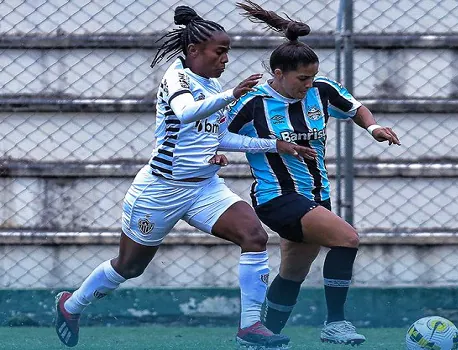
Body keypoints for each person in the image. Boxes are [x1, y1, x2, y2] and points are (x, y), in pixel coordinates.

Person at [54, 5, 316, 349]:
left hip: (205, 188)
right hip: (161, 190)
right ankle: (71, 305)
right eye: (219, 52)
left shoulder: (212, 83)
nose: (225, 59)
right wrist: (232, 94)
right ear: (194, 51)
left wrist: (273, 144)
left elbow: (218, 136)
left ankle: (251, 325)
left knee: (253, 236)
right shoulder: (176, 77)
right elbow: (186, 112)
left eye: (228, 53)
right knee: (130, 267)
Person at [229, 1, 401, 346]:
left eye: (311, 77)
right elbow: (218, 135)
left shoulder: (322, 89)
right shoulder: (253, 102)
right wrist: (261, 147)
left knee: (293, 270)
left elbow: (355, 108)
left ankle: (264, 335)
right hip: (276, 195)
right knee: (347, 238)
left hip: (316, 194)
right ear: (278, 73)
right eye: (301, 78)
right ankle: (335, 323)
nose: (307, 84)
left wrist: (373, 128)